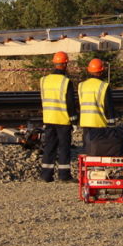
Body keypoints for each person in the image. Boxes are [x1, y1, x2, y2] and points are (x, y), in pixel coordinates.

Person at [39, 51, 78, 182]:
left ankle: (46, 175)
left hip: (49, 119)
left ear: (54, 63)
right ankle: (64, 175)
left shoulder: (44, 80)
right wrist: (74, 120)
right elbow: (70, 103)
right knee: (64, 148)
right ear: (65, 63)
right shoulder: (66, 82)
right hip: (63, 120)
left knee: (49, 146)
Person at [78, 58, 123, 156]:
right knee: (98, 149)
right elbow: (108, 106)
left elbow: (81, 102)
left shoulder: (81, 85)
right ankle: (98, 169)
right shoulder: (103, 86)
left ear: (89, 70)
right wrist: (112, 123)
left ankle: (89, 170)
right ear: (101, 71)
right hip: (99, 123)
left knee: (88, 150)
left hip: (85, 122)